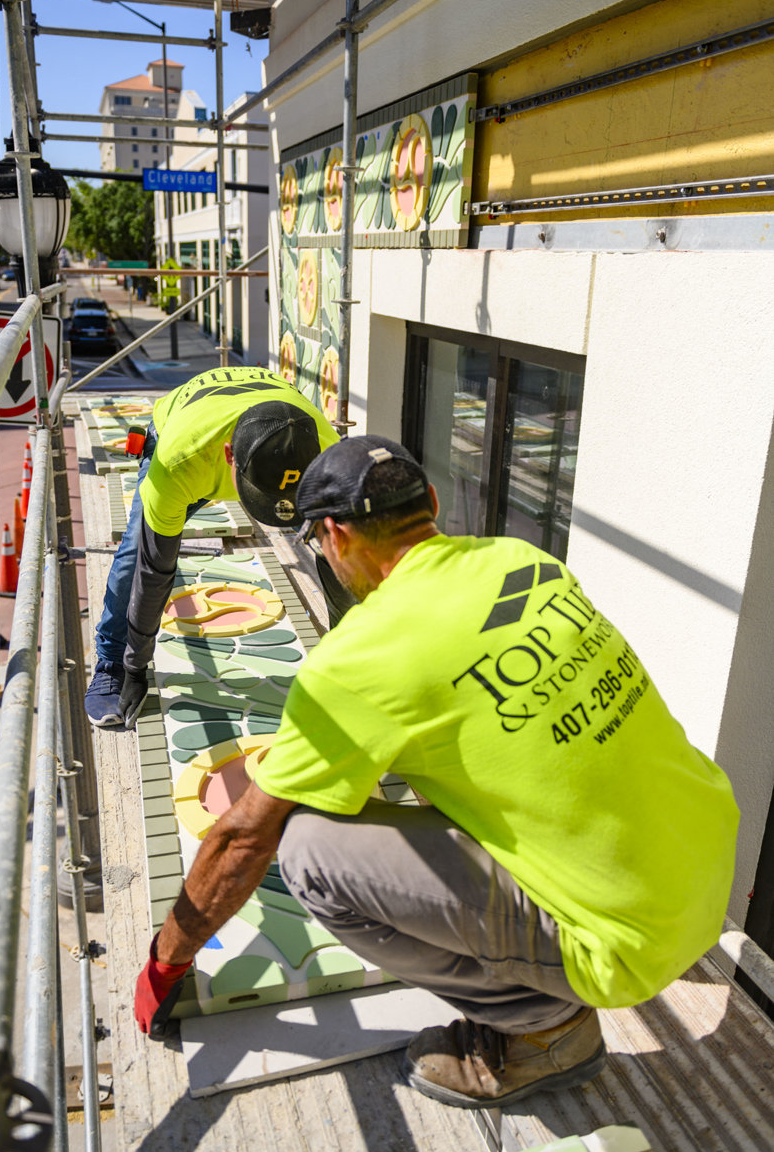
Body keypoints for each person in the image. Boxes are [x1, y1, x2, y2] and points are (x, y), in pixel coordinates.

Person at [133, 435, 739, 1109]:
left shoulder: (360, 659)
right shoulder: (522, 559)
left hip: (627, 942)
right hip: (707, 867)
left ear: (333, 535)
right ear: (431, 502)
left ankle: (546, 1030)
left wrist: (167, 961)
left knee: (309, 848)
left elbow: (241, 838)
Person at [84, 365, 345, 730]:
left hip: (261, 405)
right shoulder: (179, 463)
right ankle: (108, 663)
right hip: (188, 427)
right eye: (260, 496)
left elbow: (343, 565)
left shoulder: (328, 455)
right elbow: (154, 570)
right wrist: (133, 666)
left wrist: (346, 666)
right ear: (229, 457)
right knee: (133, 553)